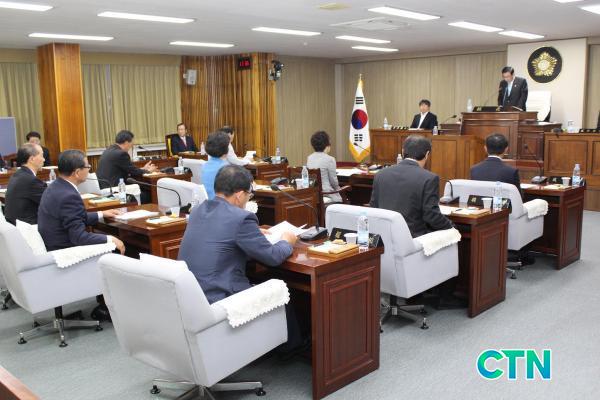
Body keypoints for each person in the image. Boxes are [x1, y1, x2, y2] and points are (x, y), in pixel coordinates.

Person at [178, 165, 302, 352]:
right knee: (283, 292)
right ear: (239, 195)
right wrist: (287, 241)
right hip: (219, 296)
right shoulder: (241, 218)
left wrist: (250, 233)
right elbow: (273, 257)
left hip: (192, 294)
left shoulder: (198, 210)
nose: (247, 200)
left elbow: (219, 232)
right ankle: (291, 350)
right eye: (249, 195)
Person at [37, 149, 125, 253]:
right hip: (64, 251)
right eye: (88, 167)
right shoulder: (69, 196)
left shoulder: (55, 186)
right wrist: (110, 239)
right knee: (117, 245)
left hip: (53, 244)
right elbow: (79, 237)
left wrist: (101, 214)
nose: (89, 170)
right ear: (77, 172)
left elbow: (73, 217)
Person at [370, 135, 452, 238]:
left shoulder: (380, 174)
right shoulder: (429, 178)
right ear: (427, 154)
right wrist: (451, 227)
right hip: (413, 238)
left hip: (384, 236)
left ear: (403, 151)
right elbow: (431, 216)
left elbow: (373, 207)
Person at [96, 130, 157, 203]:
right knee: (151, 194)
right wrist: (148, 171)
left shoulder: (109, 150)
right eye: (132, 143)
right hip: (115, 191)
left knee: (143, 188)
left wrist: (143, 169)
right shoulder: (121, 154)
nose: (132, 145)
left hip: (105, 189)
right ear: (127, 142)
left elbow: (128, 169)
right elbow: (134, 172)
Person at [4, 143, 47, 225]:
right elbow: (52, 202)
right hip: (28, 228)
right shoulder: (30, 180)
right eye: (42, 156)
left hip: (14, 225)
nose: (44, 159)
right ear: (32, 159)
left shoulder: (17, 175)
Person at [307, 131, 342, 203]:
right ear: (327, 144)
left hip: (315, 194)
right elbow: (334, 183)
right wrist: (339, 189)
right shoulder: (330, 159)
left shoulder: (309, 158)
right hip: (327, 194)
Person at [202, 131, 230, 199]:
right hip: (221, 204)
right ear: (225, 148)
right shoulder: (226, 168)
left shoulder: (204, 165)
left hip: (207, 203)